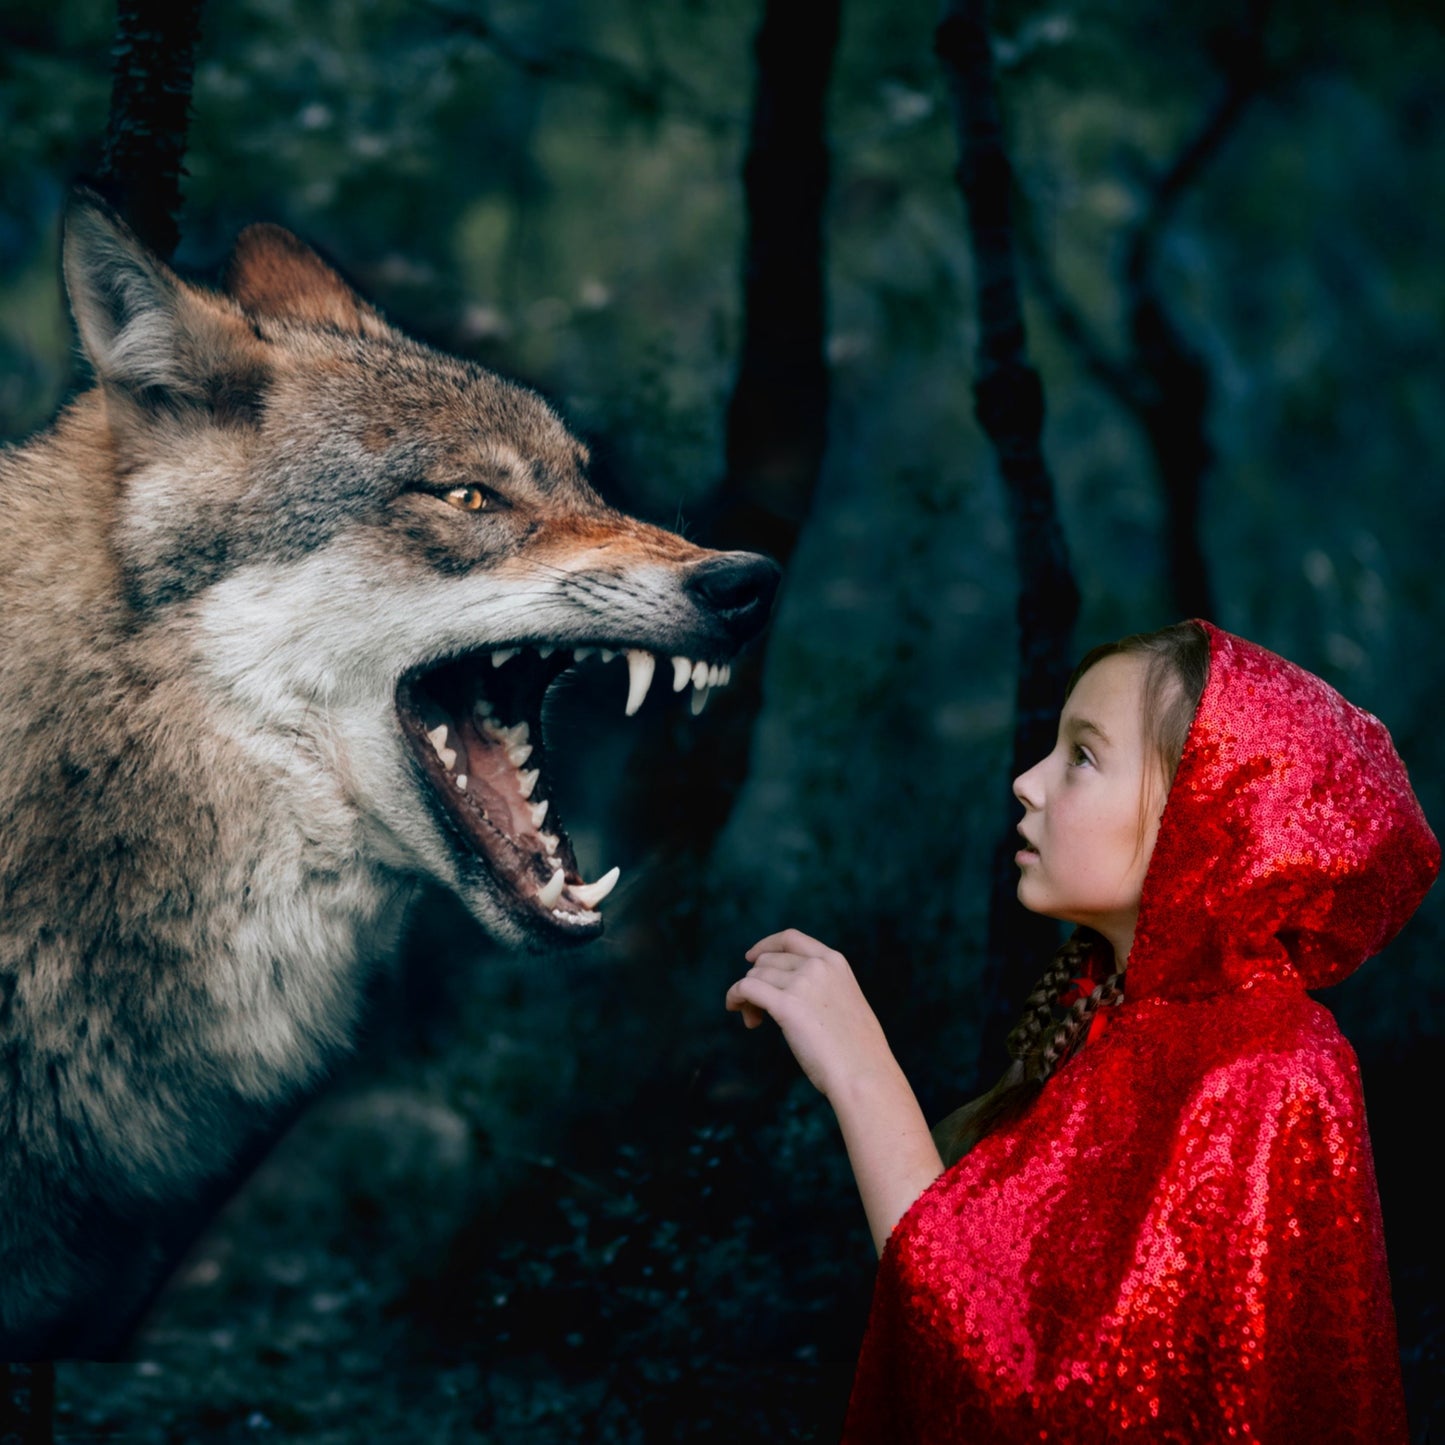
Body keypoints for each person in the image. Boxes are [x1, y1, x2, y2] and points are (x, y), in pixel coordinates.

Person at [726, 620, 1438, 1443]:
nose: (1027, 781)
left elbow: (1046, 1406)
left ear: (1211, 810)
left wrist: (860, 1071)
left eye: (1082, 756)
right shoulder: (1111, 1028)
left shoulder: (1267, 1066)